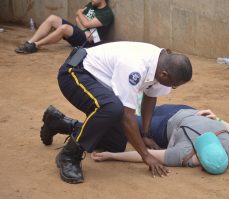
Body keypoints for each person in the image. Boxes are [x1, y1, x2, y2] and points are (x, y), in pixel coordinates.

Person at [47, 41, 192, 183]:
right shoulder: (135, 66)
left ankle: (60, 123)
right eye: (173, 85)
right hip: (75, 73)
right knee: (112, 108)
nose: (172, 87)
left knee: (116, 143)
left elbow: (150, 96)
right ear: (164, 75)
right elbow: (126, 115)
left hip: (100, 84)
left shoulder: (162, 64)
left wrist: (146, 135)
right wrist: (145, 155)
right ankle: (69, 156)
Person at [40, 104, 229, 175]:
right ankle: (63, 123)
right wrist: (112, 154)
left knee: (124, 123)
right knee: (118, 130)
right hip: (164, 124)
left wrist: (218, 119)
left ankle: (60, 122)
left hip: (186, 110)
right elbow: (146, 155)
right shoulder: (187, 154)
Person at [15, 0, 113, 54]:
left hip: (88, 43)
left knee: (64, 28)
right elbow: (78, 18)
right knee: (52, 18)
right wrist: (82, 23)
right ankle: (30, 42)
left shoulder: (106, 14)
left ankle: (36, 45)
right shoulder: (91, 5)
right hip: (82, 33)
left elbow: (86, 23)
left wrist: (80, 15)